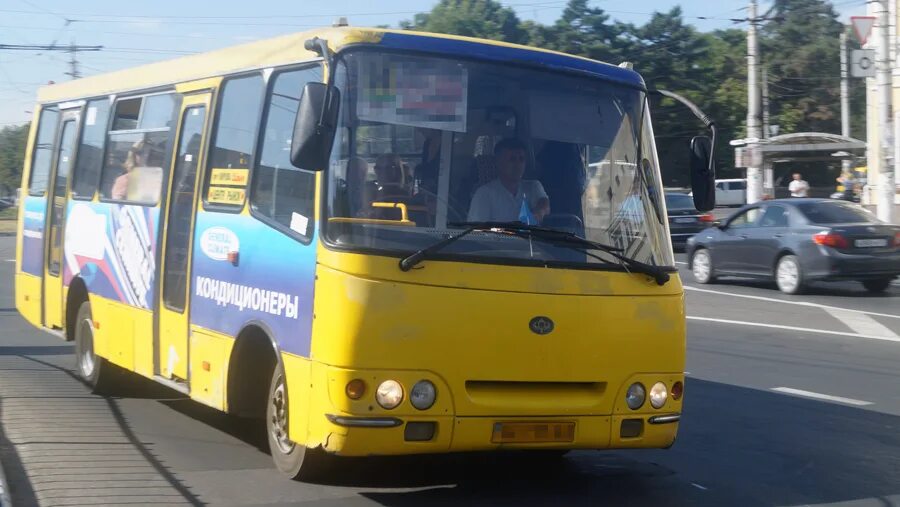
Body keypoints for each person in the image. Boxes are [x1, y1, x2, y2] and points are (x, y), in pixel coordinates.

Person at [467, 138, 550, 223]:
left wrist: (540, 211)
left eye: (521, 159)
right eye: (512, 159)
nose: (518, 165)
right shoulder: (484, 194)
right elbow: (477, 232)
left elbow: (544, 203)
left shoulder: (533, 187)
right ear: (498, 162)